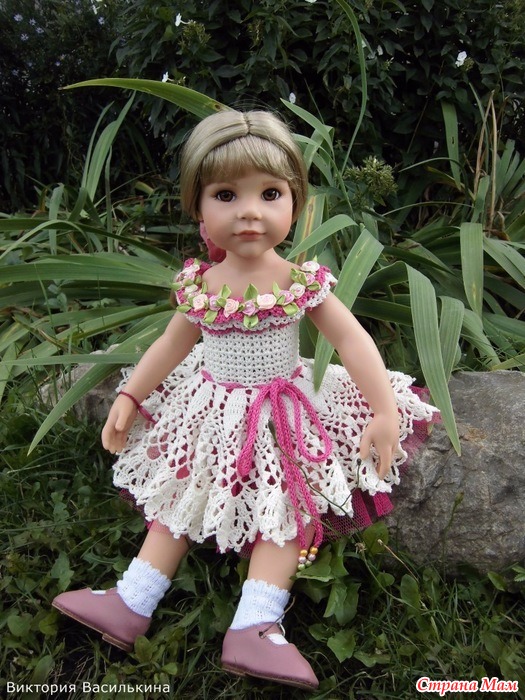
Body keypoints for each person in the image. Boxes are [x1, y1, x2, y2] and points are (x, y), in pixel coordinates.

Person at [52, 109, 437, 691]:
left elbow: (352, 339)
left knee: (285, 503)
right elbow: (171, 344)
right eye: (226, 195)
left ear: (295, 204)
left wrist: (383, 409)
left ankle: (256, 622)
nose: (249, 211)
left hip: (282, 412)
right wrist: (132, 393)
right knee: (180, 493)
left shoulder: (297, 281)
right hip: (209, 410)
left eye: (270, 193)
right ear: (198, 206)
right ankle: (132, 599)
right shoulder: (202, 287)